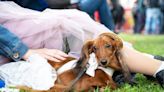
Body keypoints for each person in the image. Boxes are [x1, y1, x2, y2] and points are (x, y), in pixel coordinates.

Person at [0, 1, 163, 89]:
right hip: (9, 39)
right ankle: (148, 63)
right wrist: (24, 51)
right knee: (71, 26)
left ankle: (151, 64)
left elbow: (32, 5)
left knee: (71, 23)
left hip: (17, 20)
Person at [5, 0, 115, 31]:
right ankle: (110, 30)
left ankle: (109, 30)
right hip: (66, 8)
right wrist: (71, 1)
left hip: (72, 6)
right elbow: (48, 4)